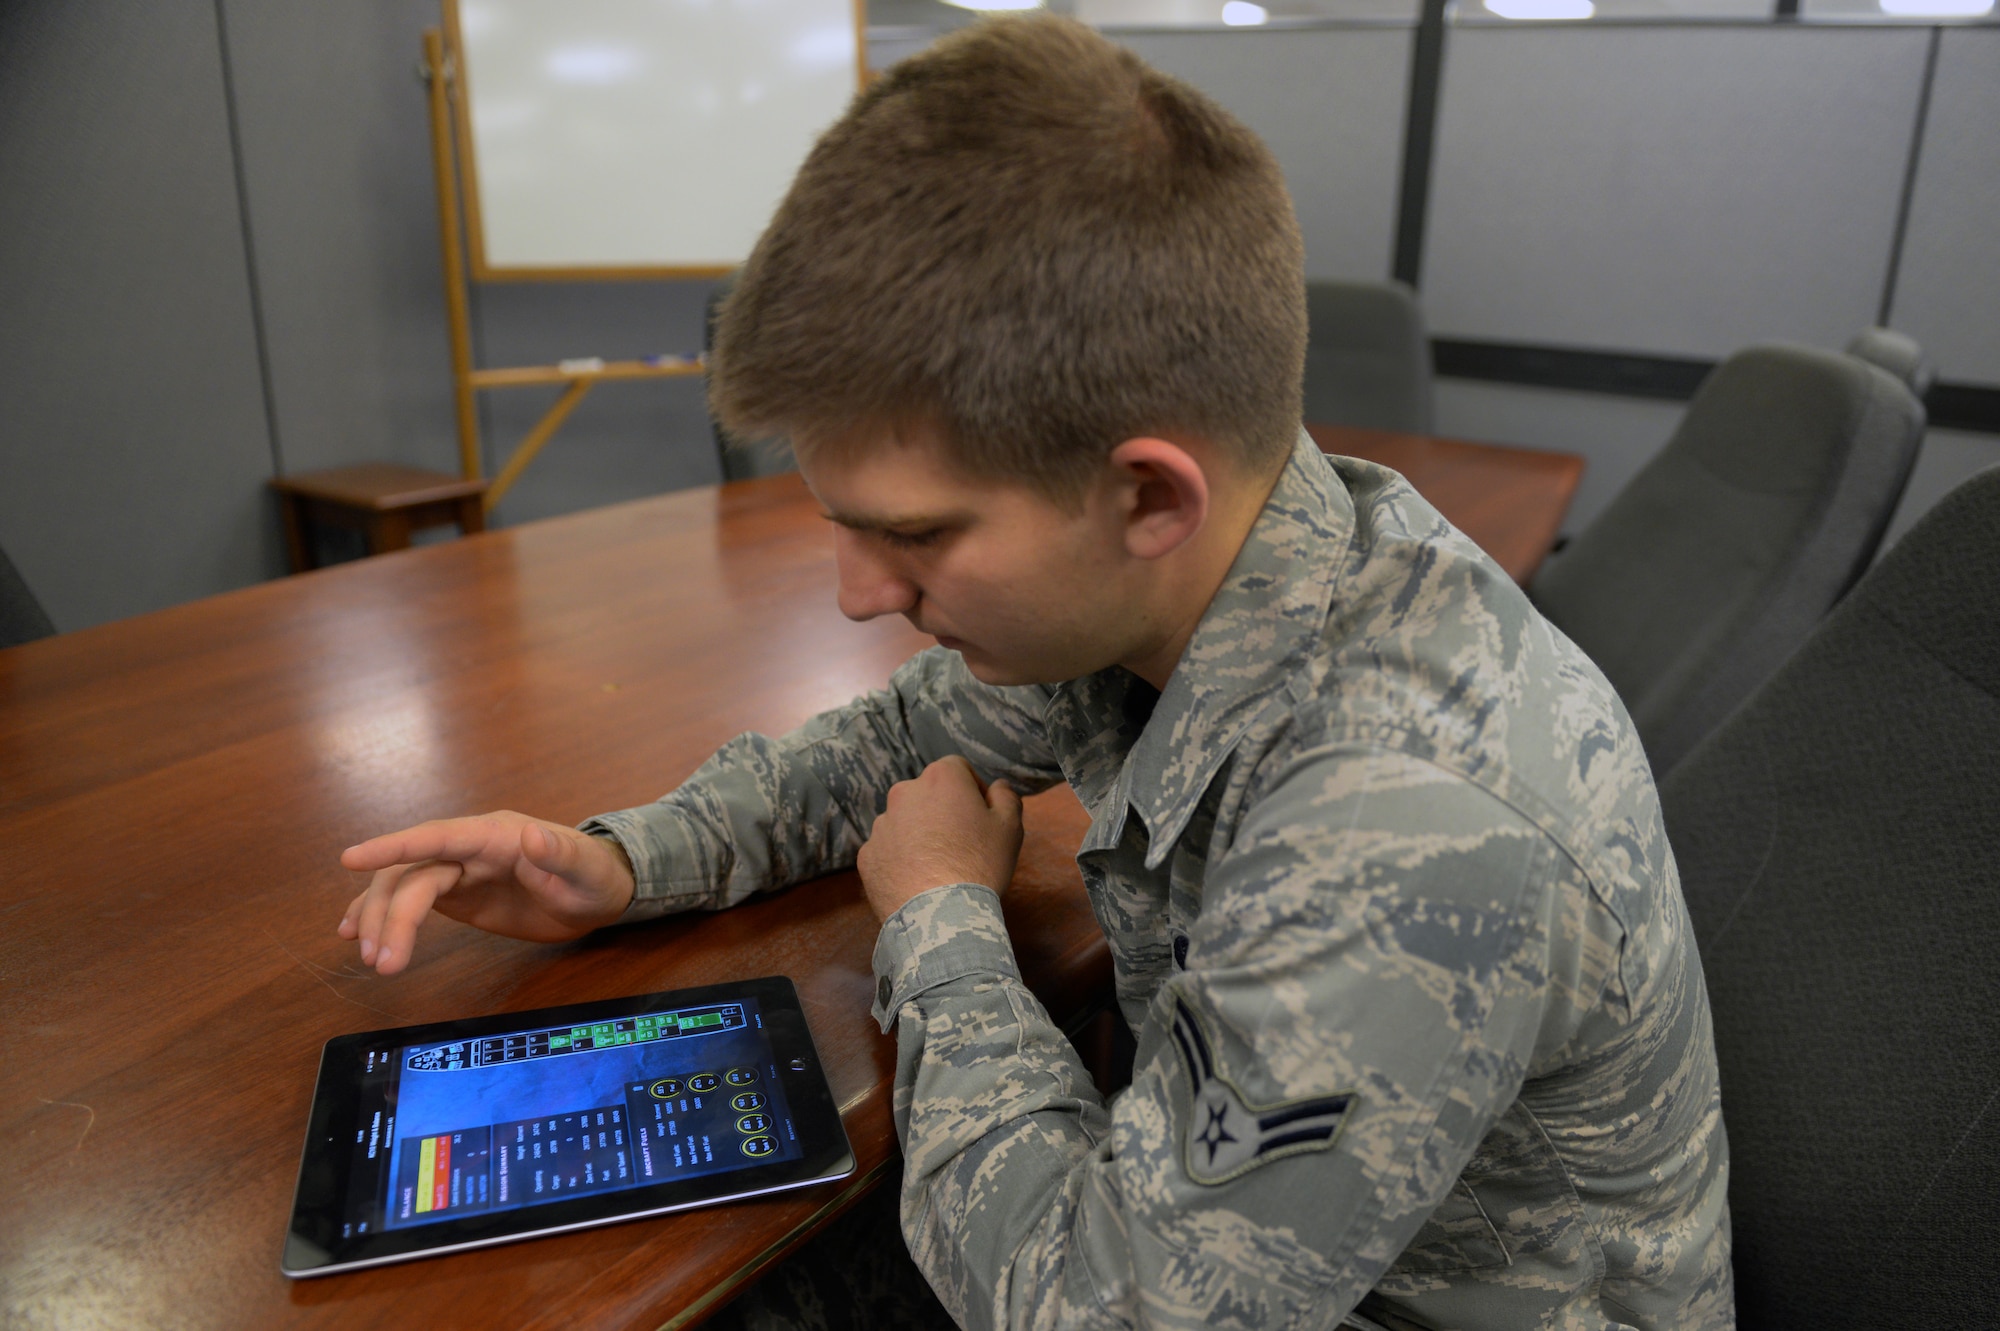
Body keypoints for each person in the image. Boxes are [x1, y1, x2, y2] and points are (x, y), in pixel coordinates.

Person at [337, 17, 1733, 1329]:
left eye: (916, 534)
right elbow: (891, 747)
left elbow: (1098, 1310)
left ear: (1146, 497)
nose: (857, 596)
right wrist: (625, 865)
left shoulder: (1405, 823)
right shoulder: (1178, 584)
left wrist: (941, 922)